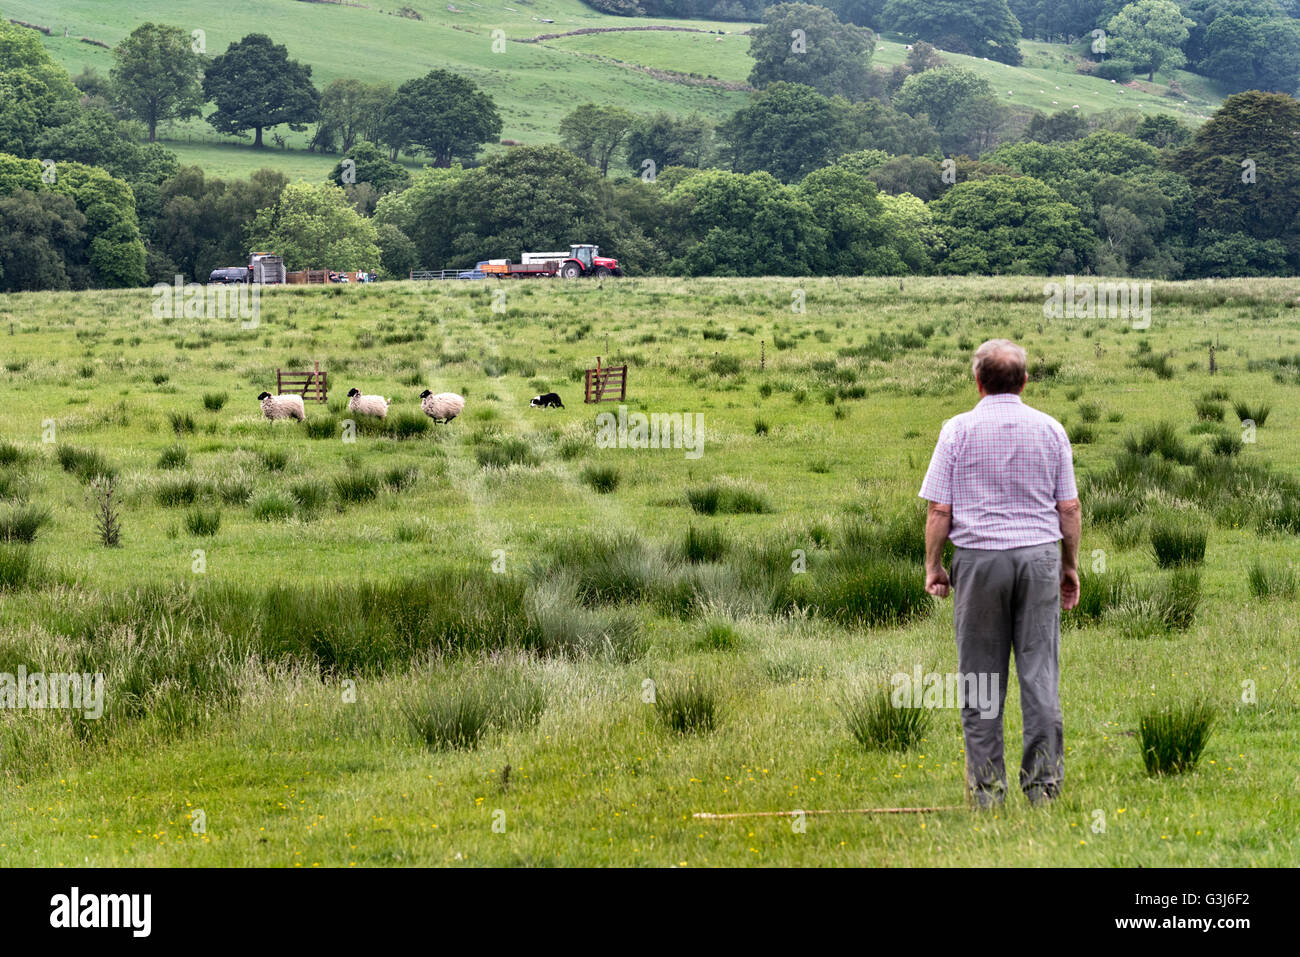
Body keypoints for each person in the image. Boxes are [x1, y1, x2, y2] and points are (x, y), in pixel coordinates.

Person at [918, 339, 1082, 808]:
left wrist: (935, 566)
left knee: (980, 682)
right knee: (1039, 676)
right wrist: (1068, 565)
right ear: (1025, 381)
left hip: (978, 561)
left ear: (978, 381)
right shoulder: (1051, 430)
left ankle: (987, 792)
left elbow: (938, 509)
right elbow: (1068, 507)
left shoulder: (956, 430)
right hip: (1038, 558)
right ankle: (1043, 789)